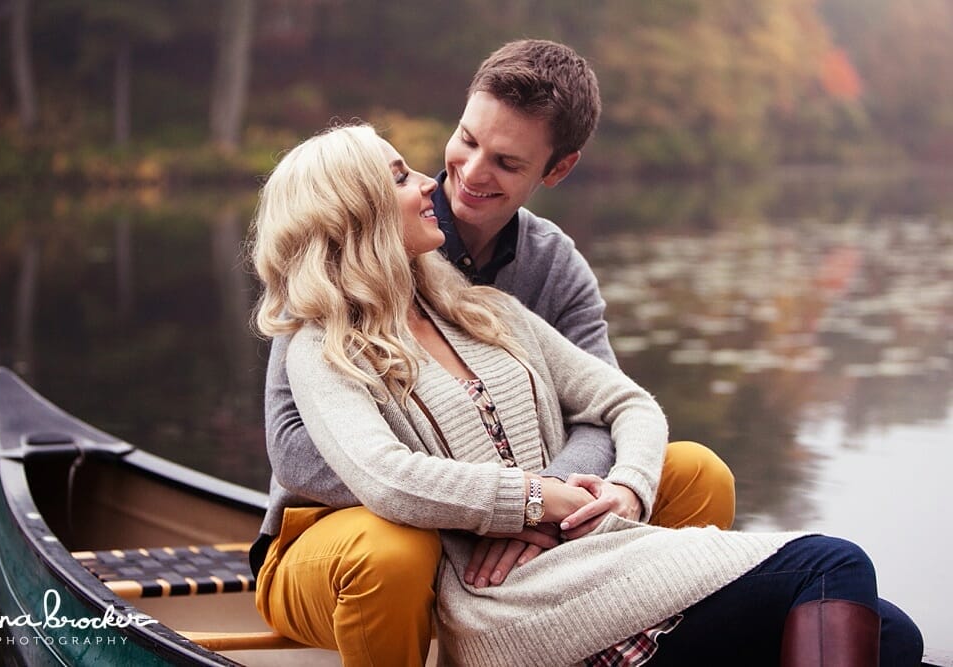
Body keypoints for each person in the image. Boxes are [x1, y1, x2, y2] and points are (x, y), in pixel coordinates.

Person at [249, 123, 923, 666]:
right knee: (834, 564)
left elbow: (630, 403)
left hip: (586, 552)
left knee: (891, 635)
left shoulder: (486, 312)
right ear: (353, 210)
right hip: (511, 600)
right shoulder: (323, 346)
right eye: (399, 177)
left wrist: (623, 489)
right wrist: (536, 499)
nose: (429, 183)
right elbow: (386, 479)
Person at [251, 39, 736, 665]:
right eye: (467, 139)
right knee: (396, 549)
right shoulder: (348, 238)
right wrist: (488, 505)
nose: (472, 173)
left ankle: (620, 643)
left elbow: (603, 406)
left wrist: (546, 501)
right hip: (355, 529)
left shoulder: (553, 267)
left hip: (524, 506)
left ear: (555, 170)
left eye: (507, 161)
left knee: (696, 473)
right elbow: (292, 451)